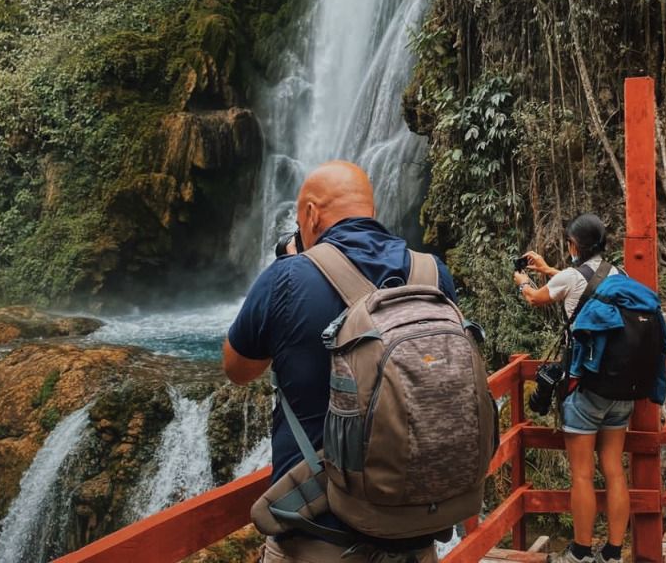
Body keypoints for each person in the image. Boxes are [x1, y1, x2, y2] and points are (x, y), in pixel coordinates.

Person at [223, 161, 459, 563]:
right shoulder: (432, 273)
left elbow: (238, 369)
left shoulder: (287, 277)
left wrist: (290, 266)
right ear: (372, 207)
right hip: (415, 534)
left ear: (311, 214)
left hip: (317, 537)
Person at [513, 214, 629, 563]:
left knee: (581, 473)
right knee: (613, 468)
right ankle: (612, 553)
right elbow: (578, 284)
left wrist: (521, 281)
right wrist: (550, 269)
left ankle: (579, 553)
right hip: (622, 386)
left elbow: (535, 298)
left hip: (585, 386)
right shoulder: (619, 273)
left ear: (574, 245)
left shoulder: (570, 277)